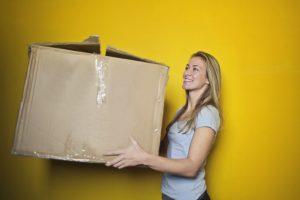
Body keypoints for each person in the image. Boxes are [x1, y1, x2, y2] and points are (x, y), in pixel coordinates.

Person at [104, 51, 222, 200]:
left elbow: (192, 167)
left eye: (195, 69)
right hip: (168, 194)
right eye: (187, 67)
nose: (187, 72)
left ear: (208, 80)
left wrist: (143, 158)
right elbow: (163, 149)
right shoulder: (181, 111)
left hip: (191, 197)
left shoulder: (208, 113)